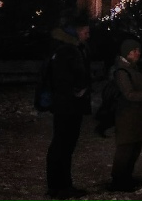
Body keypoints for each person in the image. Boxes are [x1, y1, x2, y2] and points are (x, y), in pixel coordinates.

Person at [45, 14, 92, 200]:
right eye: (86, 32)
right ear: (77, 31)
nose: (88, 35)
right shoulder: (68, 50)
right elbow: (64, 77)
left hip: (65, 104)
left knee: (62, 145)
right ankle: (62, 186)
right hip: (68, 105)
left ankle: (58, 185)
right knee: (64, 145)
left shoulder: (68, 48)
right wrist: (78, 90)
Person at [109, 39, 142, 192]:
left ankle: (127, 177)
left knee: (135, 147)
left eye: (138, 50)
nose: (137, 53)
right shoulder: (122, 71)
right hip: (126, 115)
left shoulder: (137, 68)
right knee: (125, 149)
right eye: (133, 51)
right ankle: (118, 180)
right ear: (126, 53)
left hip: (138, 114)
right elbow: (129, 94)